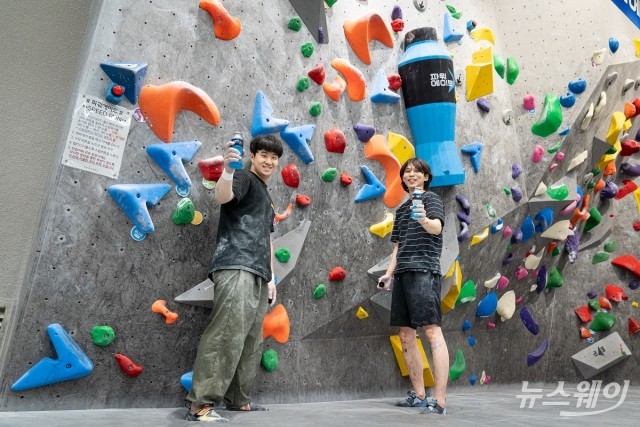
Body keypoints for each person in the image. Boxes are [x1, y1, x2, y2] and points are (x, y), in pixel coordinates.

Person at [185, 134, 283, 422]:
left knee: (251, 339)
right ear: (252, 156)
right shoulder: (242, 177)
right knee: (227, 332)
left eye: (274, 157)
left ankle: (239, 400)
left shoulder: (266, 194)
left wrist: (272, 278)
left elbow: (267, 238)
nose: (269, 161)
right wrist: (228, 170)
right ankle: (200, 404)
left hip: (258, 272)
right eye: (264, 154)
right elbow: (222, 197)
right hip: (236, 264)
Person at [377, 157, 449, 415]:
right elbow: (398, 246)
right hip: (403, 274)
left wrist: (423, 220)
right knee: (406, 335)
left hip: (424, 271)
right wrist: (388, 274)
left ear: (426, 177)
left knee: (431, 332)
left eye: (416, 171)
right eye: (407, 171)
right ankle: (419, 395)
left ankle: (439, 401)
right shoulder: (401, 209)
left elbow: (436, 228)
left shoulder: (432, 200)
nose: (411, 174)